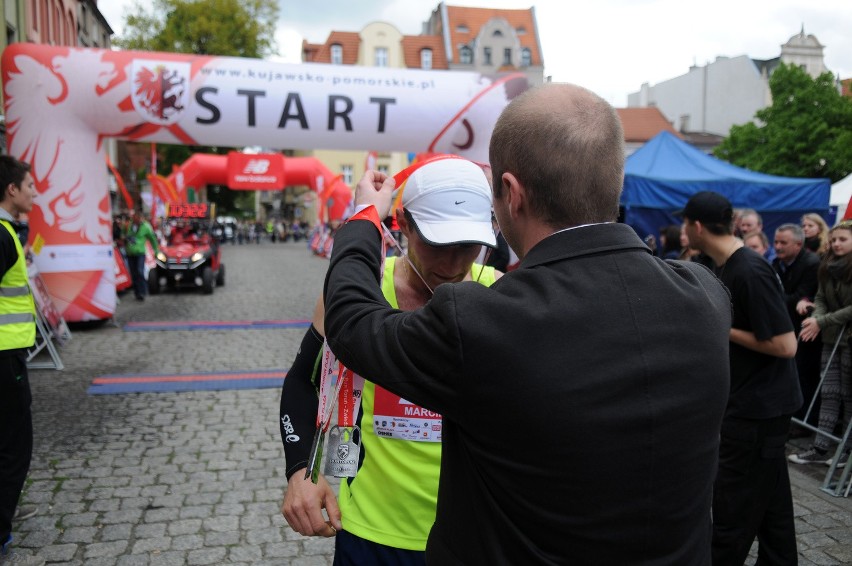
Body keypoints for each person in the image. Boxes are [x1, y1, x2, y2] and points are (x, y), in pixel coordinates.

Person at [321, 84, 732, 563]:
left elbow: (351, 320)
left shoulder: (483, 321)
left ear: (512, 195)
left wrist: (364, 217)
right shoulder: (706, 297)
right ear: (612, 181)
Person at [280, 157, 501, 564]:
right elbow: (302, 380)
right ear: (402, 223)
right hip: (370, 533)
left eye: (468, 245)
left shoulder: (501, 293)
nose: (453, 266)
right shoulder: (360, 292)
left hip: (472, 536)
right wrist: (299, 471)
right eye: (437, 243)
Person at [680, 190, 801, 565]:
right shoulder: (722, 266)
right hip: (753, 407)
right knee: (773, 516)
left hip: (756, 412)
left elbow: (785, 345)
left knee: (732, 514)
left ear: (697, 226)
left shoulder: (749, 269)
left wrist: (720, 325)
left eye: (686, 224)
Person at [0, 156, 45, 566]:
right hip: (2, 359)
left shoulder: (9, 232)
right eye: (30, 185)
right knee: (14, 448)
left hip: (9, 353)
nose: (35, 191)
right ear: (12, 189)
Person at [789, 220, 852, 469]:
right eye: (834, 239)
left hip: (847, 339)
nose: (836, 244)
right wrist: (816, 317)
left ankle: (845, 451)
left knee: (848, 396)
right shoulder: (827, 265)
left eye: (843, 239)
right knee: (828, 392)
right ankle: (820, 446)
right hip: (829, 336)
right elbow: (821, 296)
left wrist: (821, 320)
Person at [772, 224, 822, 434]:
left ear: (798, 244)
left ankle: (804, 422)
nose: (778, 247)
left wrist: (772, 299)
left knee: (803, 377)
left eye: (783, 243)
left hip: (806, 331)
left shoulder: (811, 264)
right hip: (786, 327)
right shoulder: (776, 263)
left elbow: (800, 296)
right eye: (776, 242)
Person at [124, 210, 159, 301]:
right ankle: (137, 292)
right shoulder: (128, 225)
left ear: (141, 218)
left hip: (140, 253)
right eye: (135, 218)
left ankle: (142, 292)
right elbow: (123, 234)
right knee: (133, 273)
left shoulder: (146, 227)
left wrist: (156, 251)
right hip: (130, 253)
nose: (136, 220)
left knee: (140, 271)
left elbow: (152, 239)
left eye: (138, 218)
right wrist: (125, 238)